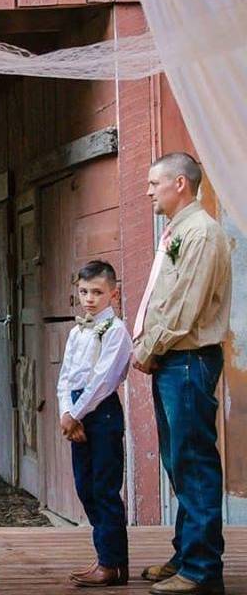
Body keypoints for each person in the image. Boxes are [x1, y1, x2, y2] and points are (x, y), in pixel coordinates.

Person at [132, 153, 231, 595]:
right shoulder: (179, 231)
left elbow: (185, 308)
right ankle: (186, 552)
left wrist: (149, 349)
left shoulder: (202, 234)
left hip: (188, 360)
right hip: (173, 361)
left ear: (180, 184)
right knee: (178, 460)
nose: (149, 190)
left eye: (155, 182)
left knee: (194, 463)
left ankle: (203, 570)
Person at [57, 260, 131, 588]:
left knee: (104, 486)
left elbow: (104, 379)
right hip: (76, 410)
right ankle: (105, 555)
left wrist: (77, 413)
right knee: (85, 486)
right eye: (84, 291)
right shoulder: (77, 331)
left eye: (97, 292)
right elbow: (66, 376)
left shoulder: (116, 331)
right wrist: (65, 412)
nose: (89, 298)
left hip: (101, 412)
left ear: (113, 294)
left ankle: (112, 563)